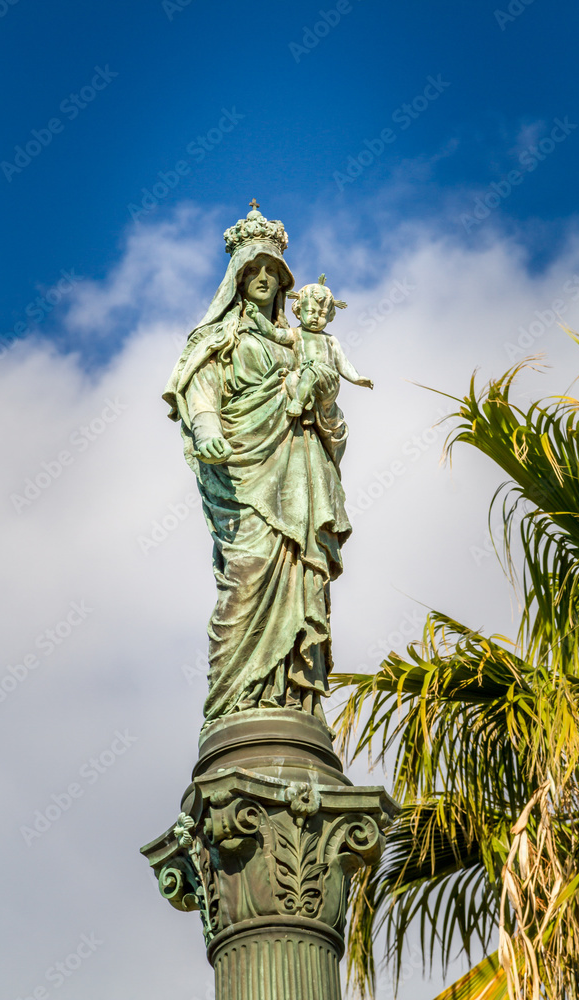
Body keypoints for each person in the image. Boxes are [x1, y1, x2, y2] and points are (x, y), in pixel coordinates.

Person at [162, 208, 352, 725]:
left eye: (273, 271)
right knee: (244, 579)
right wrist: (206, 429)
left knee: (300, 572)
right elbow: (198, 392)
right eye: (253, 270)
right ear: (238, 278)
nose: (264, 277)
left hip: (300, 470)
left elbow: (332, 422)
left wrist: (324, 396)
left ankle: (290, 703)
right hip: (243, 475)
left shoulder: (300, 345)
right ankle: (235, 707)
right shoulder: (220, 340)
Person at [245, 274, 373, 420]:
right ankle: (309, 412)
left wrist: (357, 378)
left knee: (311, 372)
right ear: (299, 311)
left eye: (322, 314)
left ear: (330, 316)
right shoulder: (295, 334)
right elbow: (273, 333)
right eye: (311, 312)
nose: (316, 318)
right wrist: (256, 316)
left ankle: (298, 404)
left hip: (327, 379)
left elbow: (343, 363)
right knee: (292, 378)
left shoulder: (330, 339)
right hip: (304, 375)